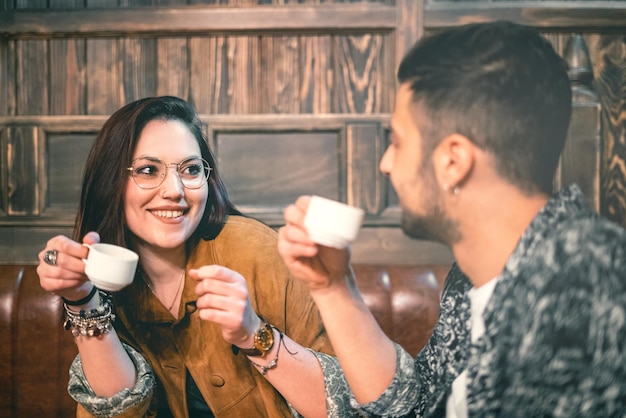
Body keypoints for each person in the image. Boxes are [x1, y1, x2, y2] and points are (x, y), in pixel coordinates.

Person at [277, 21, 626, 417]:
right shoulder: (480, 272)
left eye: (397, 142)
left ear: (453, 162)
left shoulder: (584, 284)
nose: (385, 164)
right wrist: (333, 287)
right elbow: (416, 405)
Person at [36, 96, 333, 417]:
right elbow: (116, 410)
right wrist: (83, 300)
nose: (175, 190)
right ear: (112, 183)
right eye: (148, 170)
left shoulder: (255, 249)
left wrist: (252, 333)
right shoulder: (102, 274)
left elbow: (337, 405)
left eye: (190, 169)